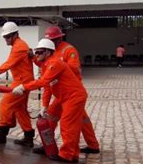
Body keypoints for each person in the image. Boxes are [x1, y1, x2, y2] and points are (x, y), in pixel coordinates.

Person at [12, 39, 87, 163]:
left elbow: (43, 82)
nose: (36, 55)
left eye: (39, 52)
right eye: (36, 52)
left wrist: (23, 87)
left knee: (68, 125)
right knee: (49, 119)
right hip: (63, 97)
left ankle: (68, 155)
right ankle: (47, 146)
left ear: (48, 52)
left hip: (74, 97)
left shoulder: (55, 63)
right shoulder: (46, 66)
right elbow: (47, 88)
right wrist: (44, 106)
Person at [40, 26, 100, 154]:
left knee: (74, 121)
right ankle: (47, 144)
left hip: (71, 91)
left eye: (54, 39)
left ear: (60, 38)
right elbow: (46, 74)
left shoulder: (68, 50)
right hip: (62, 92)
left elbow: (74, 68)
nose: (52, 42)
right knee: (52, 116)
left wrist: (57, 68)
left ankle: (79, 149)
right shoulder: (50, 52)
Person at [0, 21, 35, 146]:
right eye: (5, 37)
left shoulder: (19, 47)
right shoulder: (18, 45)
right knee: (20, 110)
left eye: (8, 36)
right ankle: (28, 137)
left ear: (15, 35)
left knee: (5, 103)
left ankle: (2, 134)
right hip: (23, 81)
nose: (6, 39)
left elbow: (7, 65)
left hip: (22, 82)